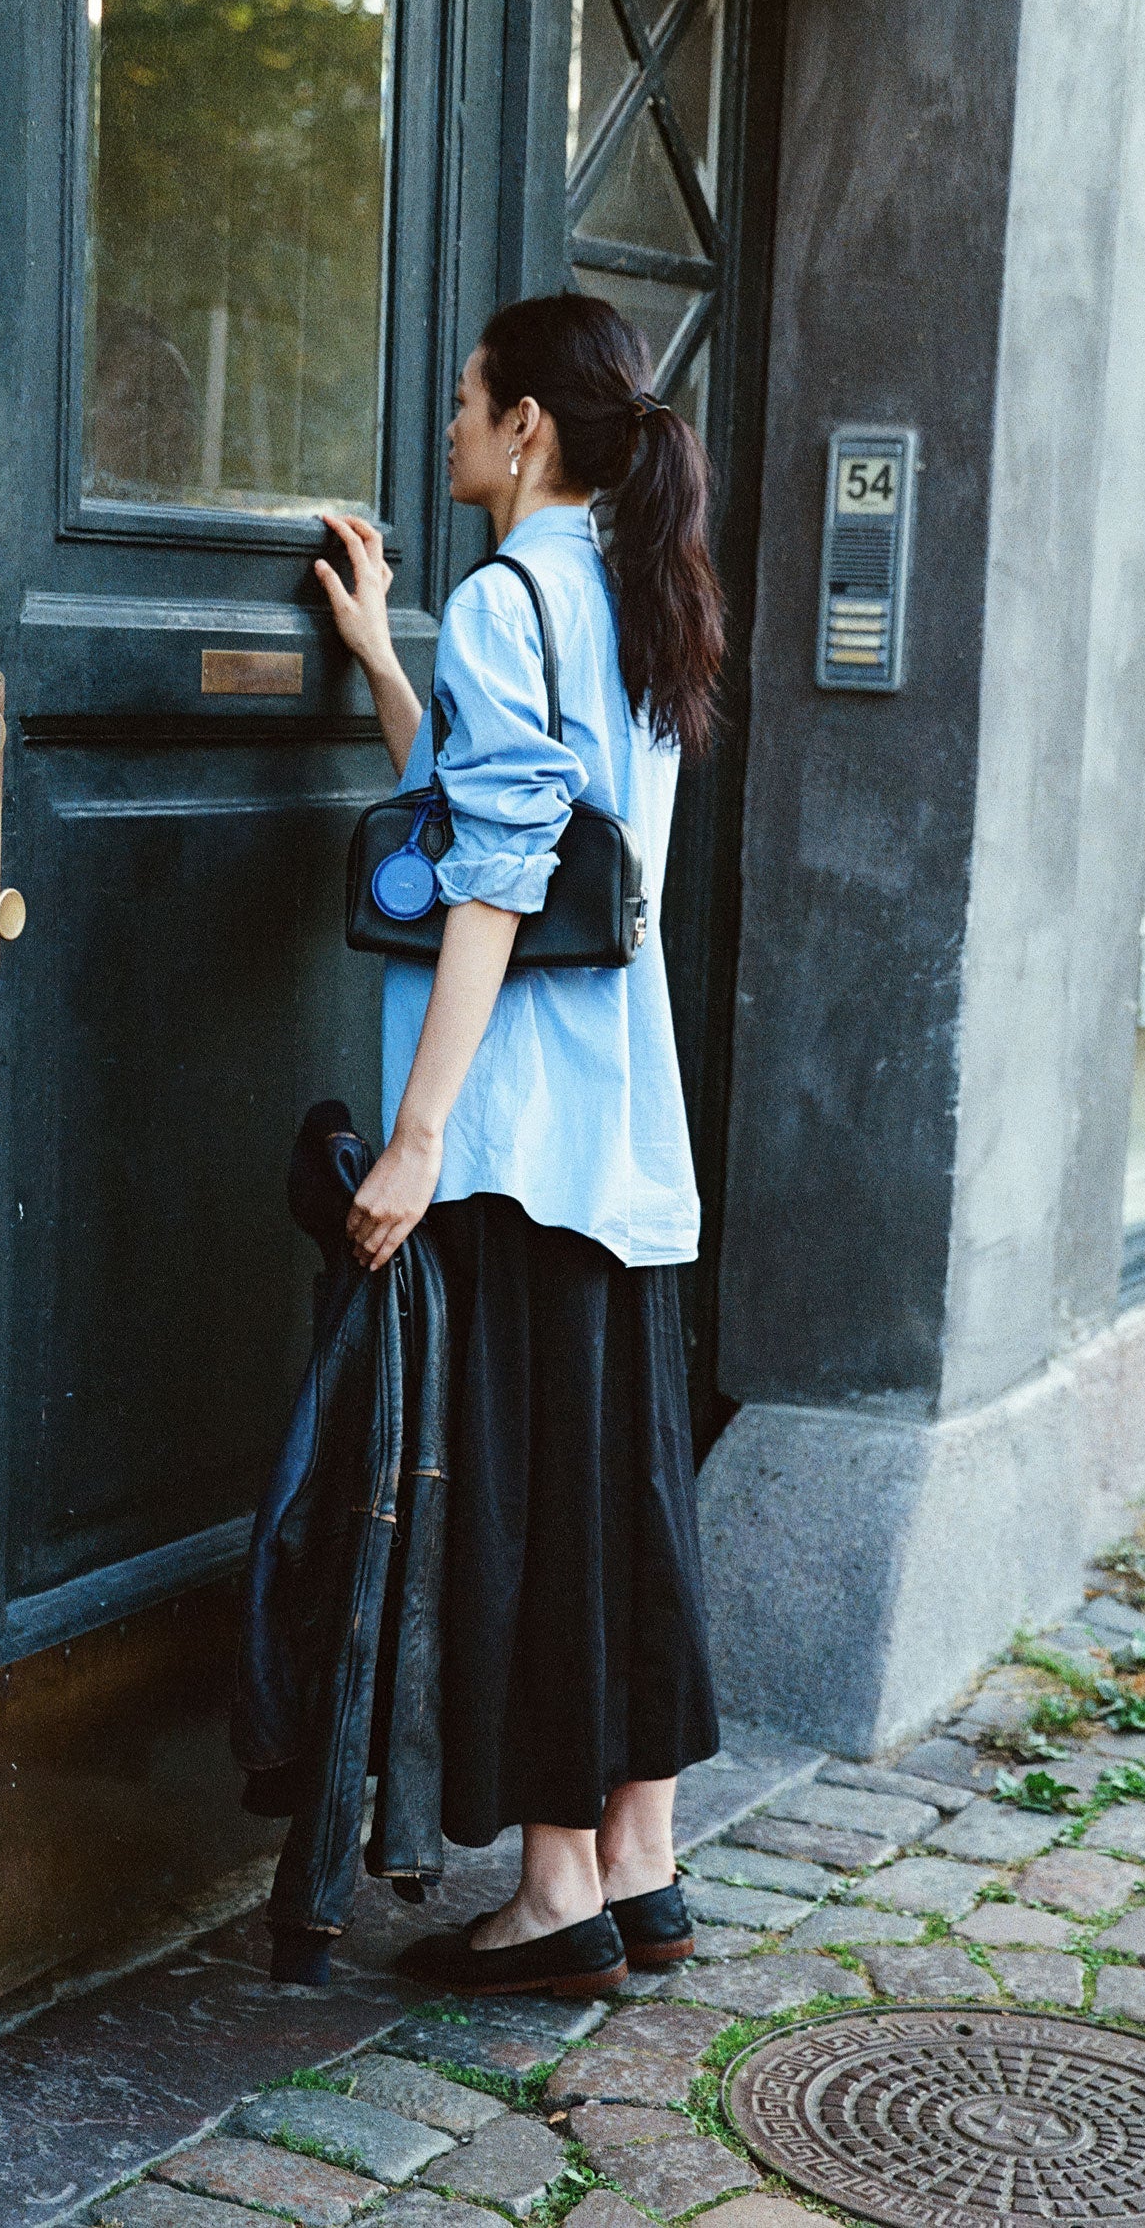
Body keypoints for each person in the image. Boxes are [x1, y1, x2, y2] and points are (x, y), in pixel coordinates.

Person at [313, 292, 723, 1997]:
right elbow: (513, 814)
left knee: (538, 1502)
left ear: (530, 427)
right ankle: (642, 1860)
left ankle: (555, 1893)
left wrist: (414, 1139)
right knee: (626, 1489)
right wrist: (389, 665)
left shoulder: (511, 601)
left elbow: (492, 878)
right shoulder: (640, 593)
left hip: (522, 1135)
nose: (454, 424)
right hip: (622, 1130)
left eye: (471, 399)